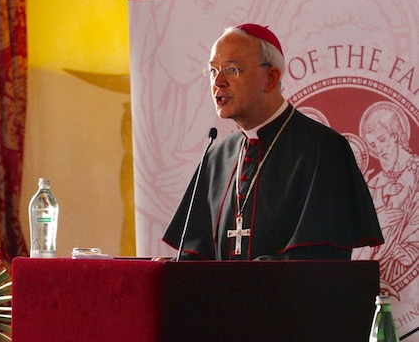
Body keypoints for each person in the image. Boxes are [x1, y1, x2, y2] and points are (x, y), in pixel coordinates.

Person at [163, 24, 383, 260]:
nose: (219, 82)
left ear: (270, 77)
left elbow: (319, 261)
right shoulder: (217, 157)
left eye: (232, 69)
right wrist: (176, 270)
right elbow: (200, 253)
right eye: (214, 71)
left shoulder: (323, 150)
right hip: (226, 297)